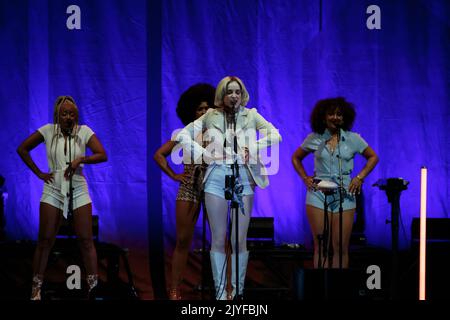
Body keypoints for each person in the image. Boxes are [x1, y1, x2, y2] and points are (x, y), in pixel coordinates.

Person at [175, 76, 282, 300]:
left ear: (242, 94)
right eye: (229, 91)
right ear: (222, 95)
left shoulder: (251, 115)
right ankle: (222, 294)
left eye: (237, 91)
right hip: (215, 177)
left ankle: (238, 292)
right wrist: (205, 154)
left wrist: (251, 147)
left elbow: (276, 135)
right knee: (218, 238)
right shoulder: (211, 115)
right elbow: (182, 135)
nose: (234, 95)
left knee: (238, 239)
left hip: (243, 177)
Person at [17, 96, 107, 300]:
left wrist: (81, 159)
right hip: (53, 187)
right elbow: (22, 149)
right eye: (64, 113)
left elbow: (102, 154)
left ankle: (93, 288)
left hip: (78, 186)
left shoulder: (83, 131)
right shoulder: (48, 130)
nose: (68, 117)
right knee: (45, 240)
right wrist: (39, 173)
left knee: (86, 240)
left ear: (77, 115)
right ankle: (36, 288)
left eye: (72, 113)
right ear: (58, 115)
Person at [292, 97, 378, 269]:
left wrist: (359, 177)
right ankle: (321, 289)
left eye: (339, 114)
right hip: (318, 194)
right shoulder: (315, 138)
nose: (335, 117)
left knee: (340, 247)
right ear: (323, 117)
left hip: (345, 195)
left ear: (344, 118)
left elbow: (373, 157)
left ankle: (338, 289)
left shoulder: (353, 139)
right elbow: (296, 157)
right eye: (331, 114)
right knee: (321, 246)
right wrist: (305, 178)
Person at [153, 83, 216, 300]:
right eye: (200, 108)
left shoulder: (221, 132)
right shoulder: (185, 133)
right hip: (189, 186)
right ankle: (174, 290)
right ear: (192, 111)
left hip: (214, 186)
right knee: (182, 240)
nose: (204, 112)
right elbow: (159, 155)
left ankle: (227, 289)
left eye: (208, 107)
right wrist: (174, 175)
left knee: (220, 240)